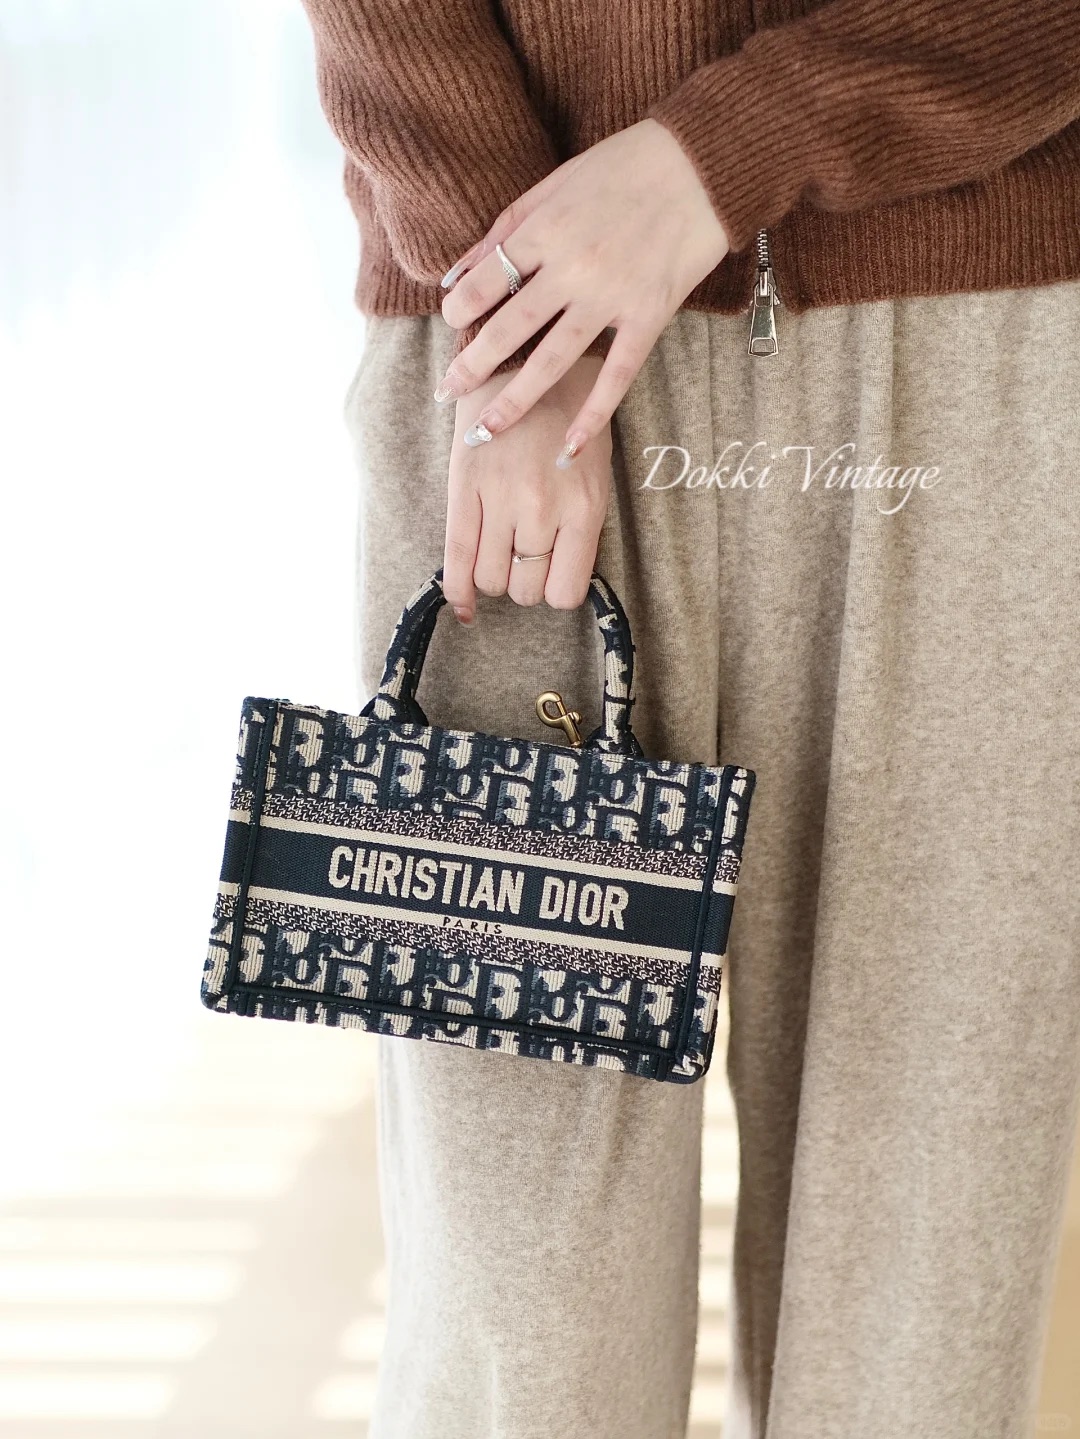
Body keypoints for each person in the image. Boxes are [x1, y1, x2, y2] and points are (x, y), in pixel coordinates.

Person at [298, 2, 1080, 1435]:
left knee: (920, 1294)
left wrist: (730, 147)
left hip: (975, 343)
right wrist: (513, 349)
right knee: (521, 1321)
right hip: (510, 336)